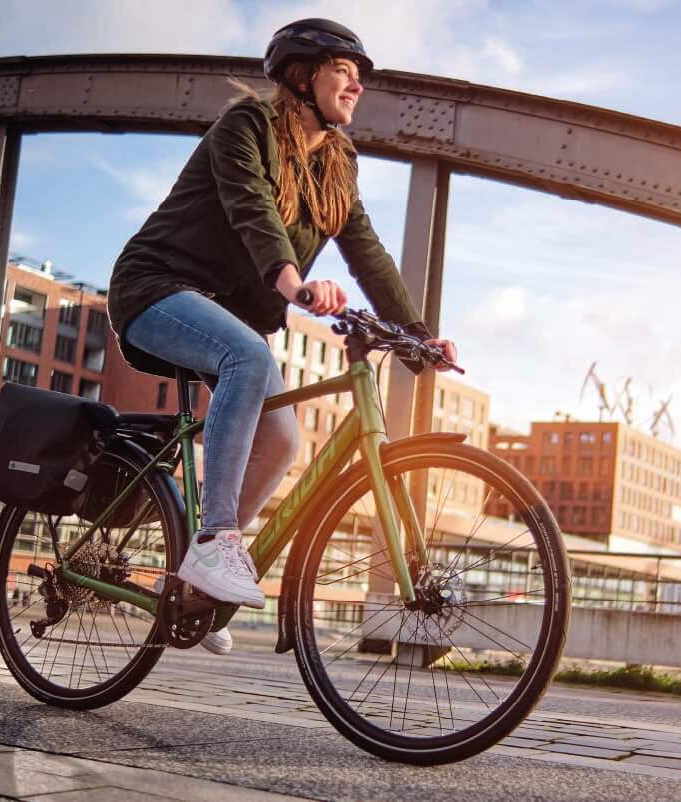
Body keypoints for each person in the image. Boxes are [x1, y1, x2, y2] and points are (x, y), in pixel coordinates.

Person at [107, 19, 458, 655]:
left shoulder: (335, 166)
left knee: (283, 438)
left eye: (360, 79)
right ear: (301, 76)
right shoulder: (245, 128)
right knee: (244, 353)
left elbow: (367, 252)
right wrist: (294, 284)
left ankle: (200, 585)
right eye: (342, 72)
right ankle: (216, 543)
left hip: (233, 312)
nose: (356, 86)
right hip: (157, 290)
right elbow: (253, 210)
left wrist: (418, 336)